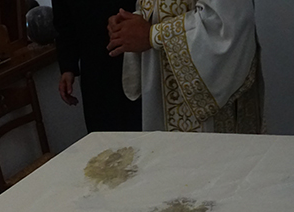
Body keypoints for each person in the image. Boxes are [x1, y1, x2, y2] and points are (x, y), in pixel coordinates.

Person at [107, 0, 264, 133]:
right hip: (159, 83)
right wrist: (128, 26)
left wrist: (153, 35)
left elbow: (226, 27)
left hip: (206, 101)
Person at [54, 0, 142, 133]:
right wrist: (68, 68)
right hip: (94, 70)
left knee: (141, 126)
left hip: (134, 56)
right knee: (103, 132)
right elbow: (64, 24)